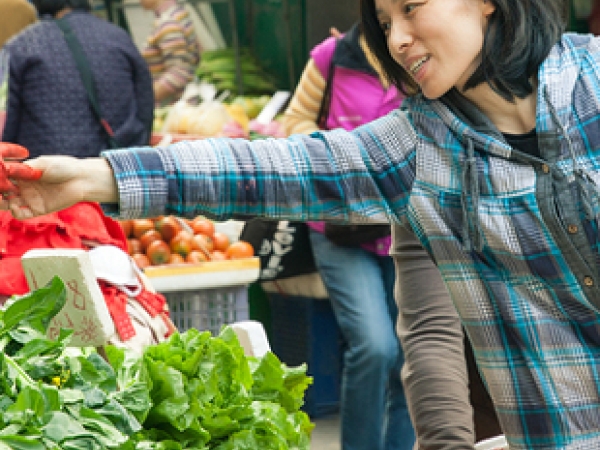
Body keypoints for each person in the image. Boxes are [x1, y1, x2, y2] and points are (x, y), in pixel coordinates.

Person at [3, 0, 595, 448]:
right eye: (385, 21)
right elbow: (273, 166)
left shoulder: (591, 80)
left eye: (410, 8)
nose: (398, 37)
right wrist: (94, 177)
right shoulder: (418, 146)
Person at [282, 22, 414, 450]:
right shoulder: (332, 56)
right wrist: (336, 149)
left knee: (409, 356)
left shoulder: (424, 54)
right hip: (339, 225)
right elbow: (295, 121)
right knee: (375, 346)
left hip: (408, 230)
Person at [1, 0, 154, 159]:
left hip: (46, 170)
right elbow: (145, 104)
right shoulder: (120, 37)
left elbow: (7, 121)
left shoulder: (23, 45)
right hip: (113, 167)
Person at [139, 0, 201, 105]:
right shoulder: (178, 13)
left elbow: (178, 74)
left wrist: (142, 99)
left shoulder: (168, 23)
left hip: (172, 108)